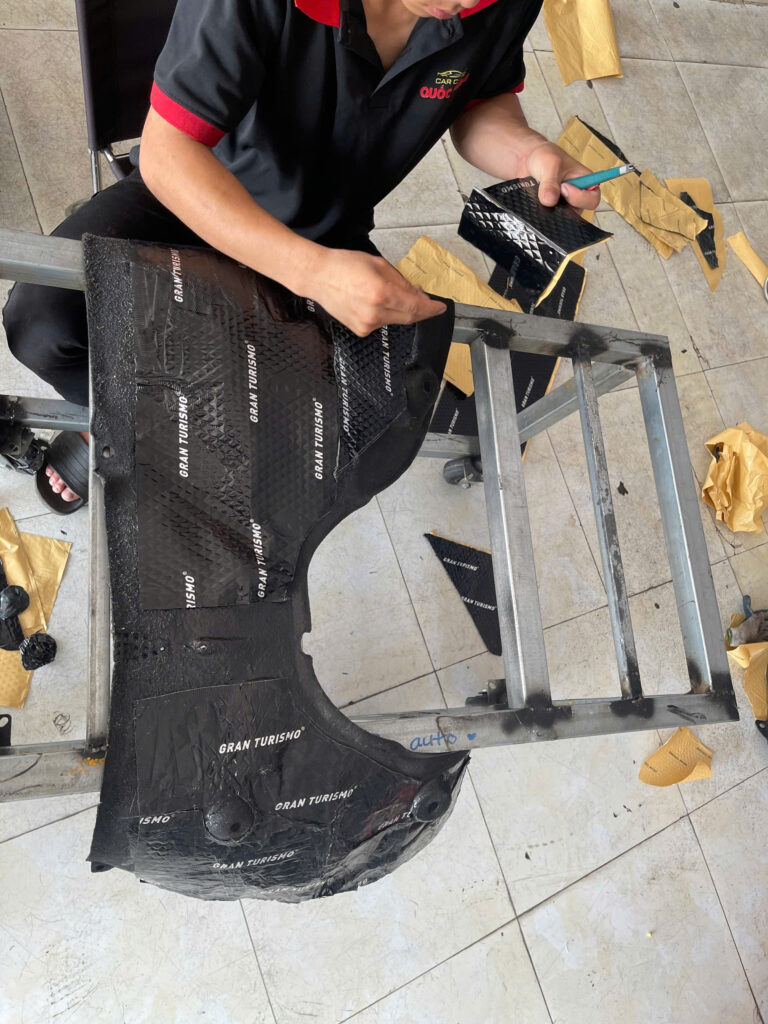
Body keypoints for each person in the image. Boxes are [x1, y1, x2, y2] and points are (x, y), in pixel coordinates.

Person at [2, 0, 599, 510]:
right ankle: (129, 417)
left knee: (330, 437)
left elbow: (480, 98)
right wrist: (310, 272)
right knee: (43, 321)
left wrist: (528, 153)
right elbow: (168, 153)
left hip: (330, 226)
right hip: (201, 192)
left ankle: (152, 424)